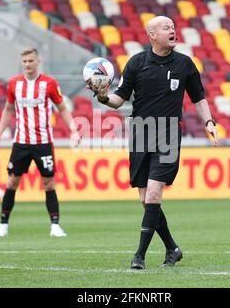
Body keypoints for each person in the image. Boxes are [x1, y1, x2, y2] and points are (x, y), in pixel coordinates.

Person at [92, 16, 218, 269]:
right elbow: (120, 99)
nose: (172, 30)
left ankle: (139, 256)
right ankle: (172, 249)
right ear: (152, 35)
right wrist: (103, 98)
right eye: (166, 28)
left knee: (153, 193)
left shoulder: (185, 64)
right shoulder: (137, 63)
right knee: (146, 199)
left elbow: (199, 98)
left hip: (169, 134)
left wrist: (209, 122)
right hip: (140, 132)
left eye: (172, 27)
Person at [0, 47, 80, 237]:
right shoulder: (14, 84)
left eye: (31, 61)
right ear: (21, 62)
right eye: (24, 61)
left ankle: (55, 225)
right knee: (12, 182)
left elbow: (62, 108)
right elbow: (8, 110)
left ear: (38, 61)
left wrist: (73, 130)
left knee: (48, 183)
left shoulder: (49, 83)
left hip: (43, 143)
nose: (27, 64)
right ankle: (3, 225)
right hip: (21, 142)